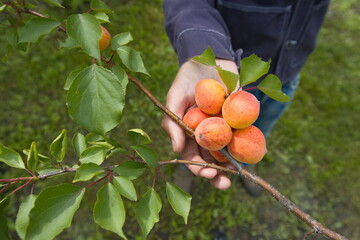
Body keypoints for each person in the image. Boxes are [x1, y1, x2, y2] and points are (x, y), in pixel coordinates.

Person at [161, 0, 330, 194]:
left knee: (263, 125)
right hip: (230, 65)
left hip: (288, 69)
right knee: (197, 141)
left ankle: (245, 165)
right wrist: (208, 50)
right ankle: (185, 167)